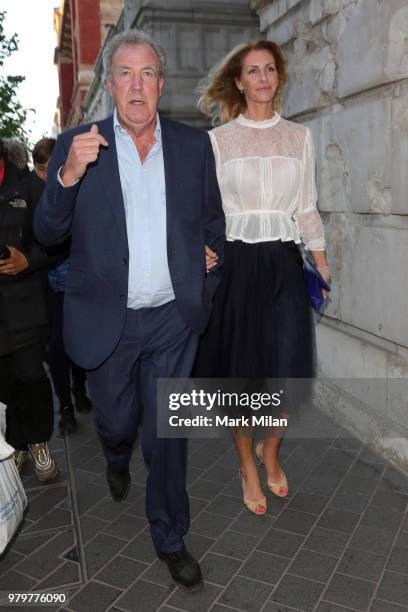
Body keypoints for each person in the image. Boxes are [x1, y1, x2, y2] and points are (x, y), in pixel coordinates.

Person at [34, 29, 225, 590]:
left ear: (161, 86)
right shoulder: (79, 143)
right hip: (108, 322)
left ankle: (170, 535)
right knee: (117, 420)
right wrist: (67, 174)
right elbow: (47, 232)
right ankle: (116, 451)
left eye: (147, 74)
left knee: (167, 434)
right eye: (125, 73)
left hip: (171, 318)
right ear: (111, 85)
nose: (136, 85)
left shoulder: (194, 147)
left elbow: (212, 221)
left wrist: (209, 259)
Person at [193, 40, 330, 515]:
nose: (263, 78)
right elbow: (206, 211)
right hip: (237, 265)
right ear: (239, 82)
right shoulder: (219, 141)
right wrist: (205, 253)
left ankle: (269, 451)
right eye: (253, 71)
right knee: (243, 372)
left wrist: (322, 260)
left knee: (286, 369)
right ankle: (246, 465)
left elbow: (307, 206)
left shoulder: (299, 137)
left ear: (278, 77)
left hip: (285, 265)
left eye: (270, 69)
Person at [0, 138, 58, 482]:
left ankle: (39, 442)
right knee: (4, 386)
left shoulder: (27, 185)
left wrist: (27, 260)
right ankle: (17, 444)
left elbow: (54, 241)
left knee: (31, 377)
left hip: (26, 305)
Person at [27, 138, 92, 435]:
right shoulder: (33, 192)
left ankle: (79, 388)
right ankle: (65, 404)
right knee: (56, 346)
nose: (44, 176)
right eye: (40, 169)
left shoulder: (76, 185)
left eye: (49, 168)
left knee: (76, 341)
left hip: (76, 281)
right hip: (47, 285)